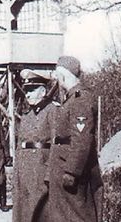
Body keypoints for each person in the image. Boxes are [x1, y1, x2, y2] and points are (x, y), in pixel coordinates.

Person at [46, 55, 101, 222]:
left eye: (57, 75)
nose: (56, 79)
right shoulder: (71, 99)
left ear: (63, 75)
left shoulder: (80, 99)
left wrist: (72, 171)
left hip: (70, 170)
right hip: (63, 166)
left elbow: (82, 139)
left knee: (76, 215)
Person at [13, 74, 55, 222]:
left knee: (39, 211)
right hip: (24, 169)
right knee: (22, 210)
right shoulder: (26, 115)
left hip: (40, 168)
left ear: (43, 92)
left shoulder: (52, 111)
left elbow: (56, 144)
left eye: (32, 90)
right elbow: (20, 145)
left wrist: (50, 173)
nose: (28, 94)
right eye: (27, 90)